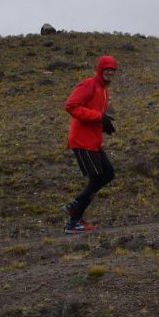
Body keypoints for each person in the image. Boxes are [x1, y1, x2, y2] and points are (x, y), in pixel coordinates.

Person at [61, 55, 118, 234]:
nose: (110, 72)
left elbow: (93, 112)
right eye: (107, 68)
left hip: (93, 140)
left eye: (113, 69)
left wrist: (104, 125)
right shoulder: (89, 84)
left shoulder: (104, 90)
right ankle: (74, 219)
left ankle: (75, 209)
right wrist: (99, 117)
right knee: (97, 178)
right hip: (82, 140)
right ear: (100, 69)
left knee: (108, 173)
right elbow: (71, 106)